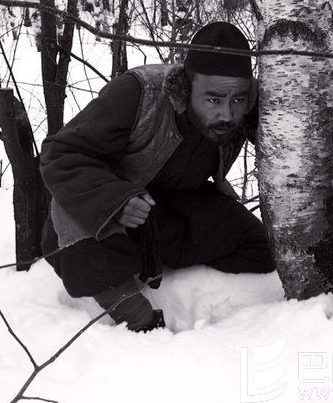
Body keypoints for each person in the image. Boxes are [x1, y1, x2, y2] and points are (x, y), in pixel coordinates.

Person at [40, 22, 275, 333]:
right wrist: (116, 201)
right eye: (213, 99)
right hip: (108, 208)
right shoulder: (139, 93)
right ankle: (136, 316)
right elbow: (61, 153)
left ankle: (156, 266)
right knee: (76, 227)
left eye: (238, 100)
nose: (227, 114)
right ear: (185, 88)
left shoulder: (248, 103)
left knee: (262, 248)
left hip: (171, 206)